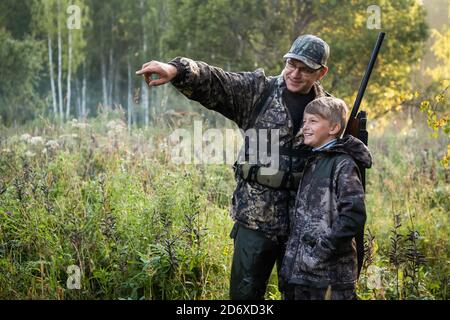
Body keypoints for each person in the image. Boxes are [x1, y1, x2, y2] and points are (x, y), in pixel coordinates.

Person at [136, 35, 332, 300]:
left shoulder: (329, 111)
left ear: (321, 72)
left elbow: (343, 160)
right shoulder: (258, 92)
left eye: (305, 69)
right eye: (291, 64)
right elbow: (216, 81)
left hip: (305, 223)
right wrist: (177, 70)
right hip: (256, 219)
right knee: (244, 296)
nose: (295, 74)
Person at [280, 97, 372, 300]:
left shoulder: (343, 164)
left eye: (313, 121)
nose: (305, 127)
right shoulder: (314, 159)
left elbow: (353, 215)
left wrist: (320, 250)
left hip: (327, 276)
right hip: (302, 275)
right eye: (304, 122)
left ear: (334, 128)